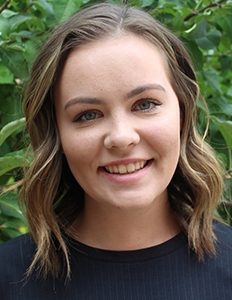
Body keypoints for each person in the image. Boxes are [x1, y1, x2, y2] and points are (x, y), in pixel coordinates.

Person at [0, 2, 232, 299]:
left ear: (183, 115)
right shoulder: (8, 279)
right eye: (88, 115)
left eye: (145, 104)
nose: (121, 138)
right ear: (56, 134)